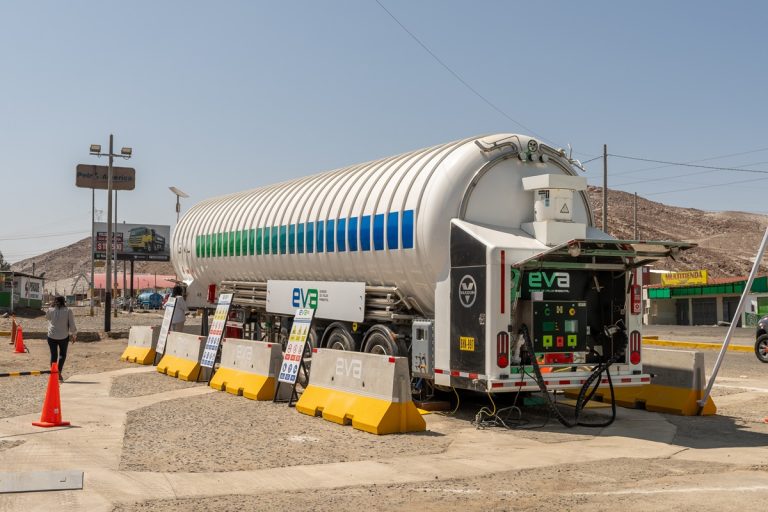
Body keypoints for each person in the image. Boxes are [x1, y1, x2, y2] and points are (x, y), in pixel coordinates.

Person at [45, 296, 77, 382]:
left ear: (54, 302)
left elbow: (47, 317)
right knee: (62, 355)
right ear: (64, 302)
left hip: (51, 336)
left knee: (53, 355)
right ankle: (59, 372)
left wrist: (51, 307)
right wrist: (74, 334)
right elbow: (72, 324)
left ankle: (54, 373)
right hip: (63, 336)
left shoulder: (51, 309)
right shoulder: (68, 310)